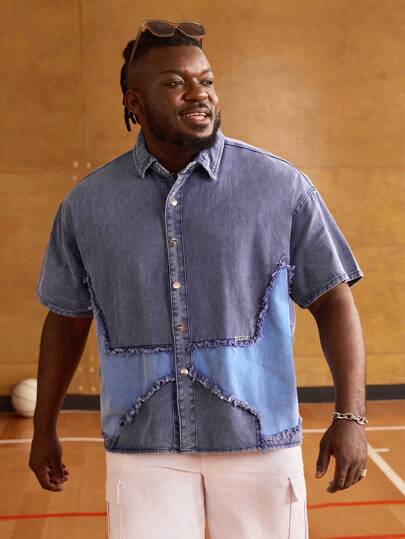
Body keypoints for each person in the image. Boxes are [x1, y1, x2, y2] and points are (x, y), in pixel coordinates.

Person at [29, 20, 368, 539]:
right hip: (143, 446)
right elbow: (66, 319)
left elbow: (333, 299)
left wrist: (351, 416)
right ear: (134, 101)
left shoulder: (280, 187)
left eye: (206, 80)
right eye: (174, 82)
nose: (198, 93)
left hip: (260, 442)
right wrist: (43, 427)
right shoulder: (88, 204)